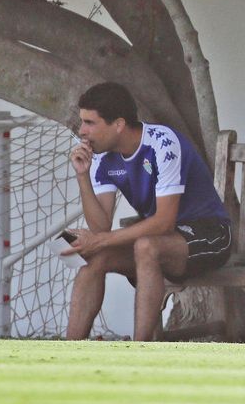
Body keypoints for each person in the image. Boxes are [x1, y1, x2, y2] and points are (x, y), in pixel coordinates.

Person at [62, 81, 233, 342]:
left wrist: (99, 240)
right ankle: (69, 350)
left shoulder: (162, 143)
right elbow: (100, 227)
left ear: (118, 124)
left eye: (90, 123)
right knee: (95, 258)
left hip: (211, 235)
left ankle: (140, 349)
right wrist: (82, 176)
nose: (82, 131)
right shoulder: (100, 156)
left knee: (146, 247)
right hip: (161, 240)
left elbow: (163, 221)